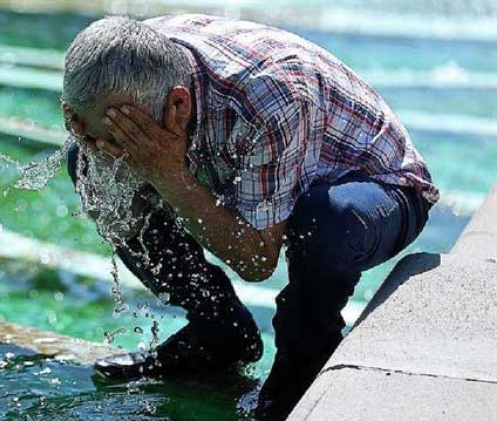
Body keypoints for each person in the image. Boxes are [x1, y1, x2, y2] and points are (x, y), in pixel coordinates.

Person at [61, 14, 437, 419]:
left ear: (177, 105)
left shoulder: (269, 95)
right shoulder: (111, 69)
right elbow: (94, 147)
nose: (109, 149)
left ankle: (301, 372)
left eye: (125, 138)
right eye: (87, 130)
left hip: (379, 189)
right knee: (85, 165)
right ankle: (219, 331)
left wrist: (169, 176)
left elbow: (257, 261)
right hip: (258, 163)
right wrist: (99, 152)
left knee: (323, 219)